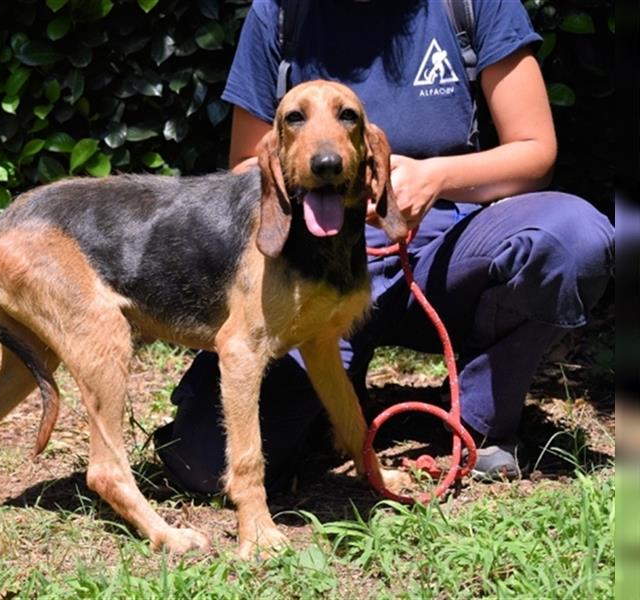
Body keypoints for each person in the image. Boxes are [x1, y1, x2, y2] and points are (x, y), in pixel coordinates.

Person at [153, 0, 614, 492]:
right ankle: (331, 401)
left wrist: (436, 177)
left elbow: (534, 149)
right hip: (313, 278)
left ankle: (479, 418)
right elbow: (248, 166)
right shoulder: (281, 15)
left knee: (571, 236)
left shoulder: (473, 5)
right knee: (203, 461)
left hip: (444, 257)